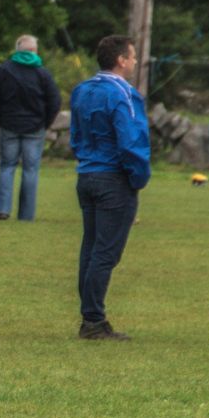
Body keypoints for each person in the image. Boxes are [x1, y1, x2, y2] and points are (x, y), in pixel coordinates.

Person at [70, 35, 151, 340]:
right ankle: (93, 320)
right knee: (105, 252)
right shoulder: (124, 94)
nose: (134, 62)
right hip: (113, 178)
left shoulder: (82, 90)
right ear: (121, 60)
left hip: (87, 174)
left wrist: (86, 159)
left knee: (91, 248)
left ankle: (90, 316)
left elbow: (76, 135)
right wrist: (138, 177)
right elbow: (131, 141)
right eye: (132, 57)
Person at [0, 34, 61, 221]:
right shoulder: (42, 73)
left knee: (7, 167)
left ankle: (2, 209)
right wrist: (45, 123)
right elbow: (55, 101)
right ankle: (26, 215)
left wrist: (0, 121)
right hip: (35, 128)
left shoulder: (3, 71)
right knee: (30, 170)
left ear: (17, 49)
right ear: (34, 51)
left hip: (9, 125)